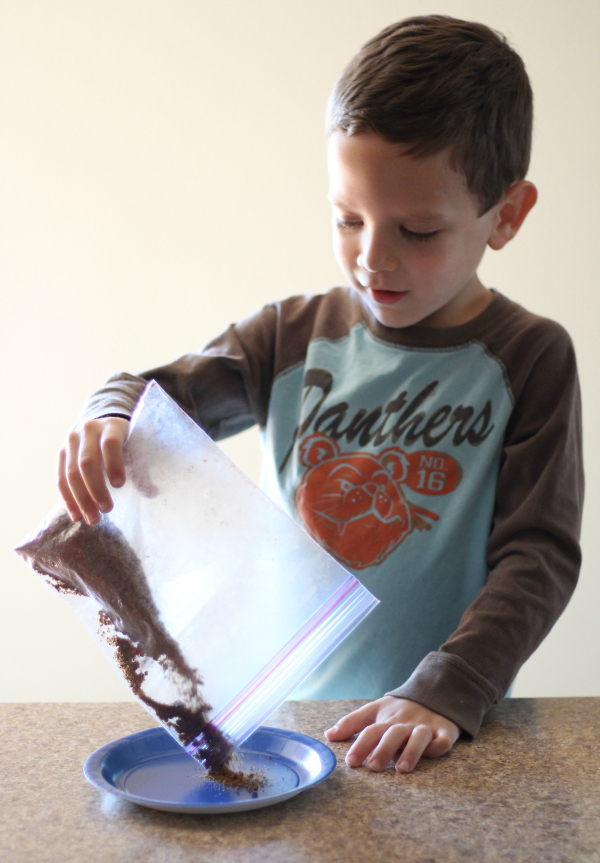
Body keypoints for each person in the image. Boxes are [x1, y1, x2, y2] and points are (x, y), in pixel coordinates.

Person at [57, 16, 583, 775]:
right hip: (283, 729)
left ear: (506, 214)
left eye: (417, 229)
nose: (373, 257)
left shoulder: (532, 357)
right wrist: (108, 412)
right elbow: (149, 395)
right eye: (348, 218)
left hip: (433, 729)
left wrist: (450, 690)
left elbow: (539, 556)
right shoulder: (288, 336)